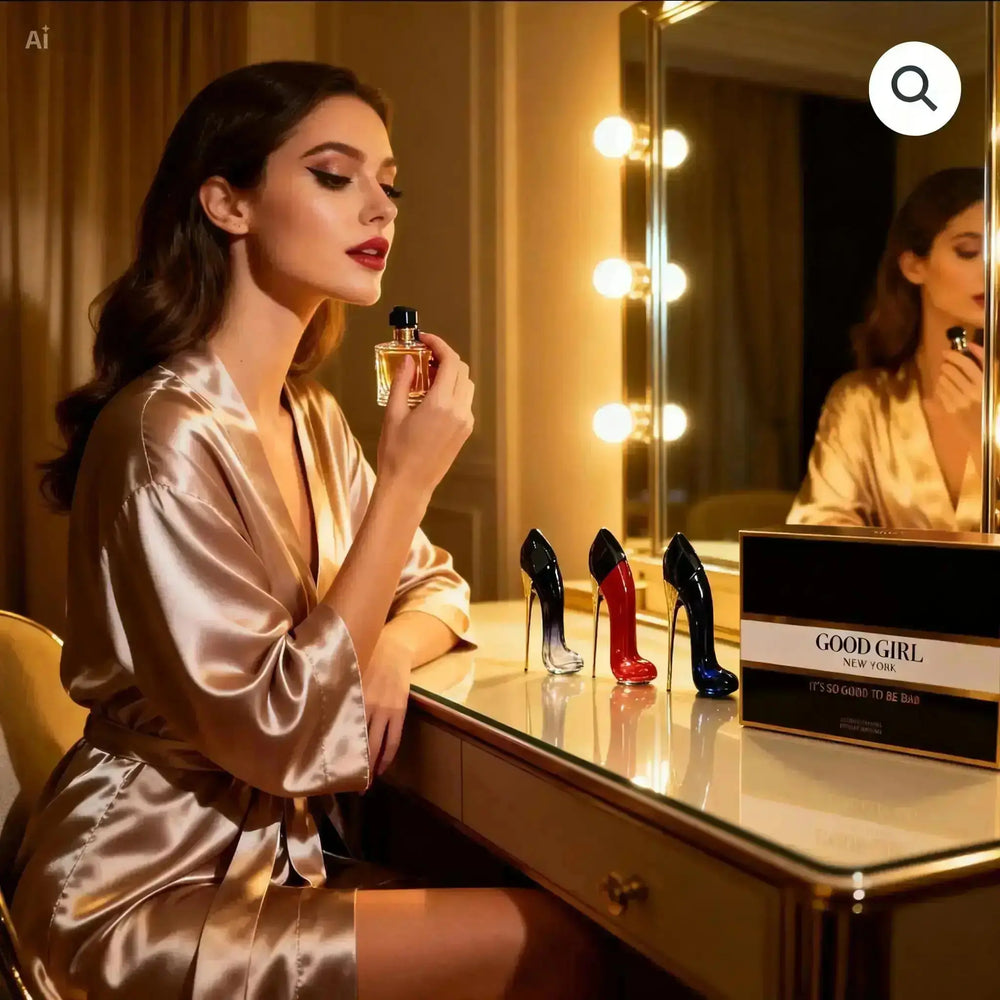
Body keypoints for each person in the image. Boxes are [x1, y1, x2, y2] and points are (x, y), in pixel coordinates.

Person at [12, 62, 608, 1000]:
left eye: (389, 182)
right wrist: (407, 478)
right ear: (227, 202)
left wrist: (387, 654)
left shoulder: (313, 417)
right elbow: (283, 732)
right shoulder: (160, 434)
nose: (380, 208)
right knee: (560, 946)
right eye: (335, 176)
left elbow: (436, 584)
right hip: (140, 890)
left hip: (281, 863)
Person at [787, 167, 985, 530]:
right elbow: (818, 538)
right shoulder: (863, 404)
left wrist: (986, 442)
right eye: (968, 251)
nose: (991, 269)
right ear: (913, 265)